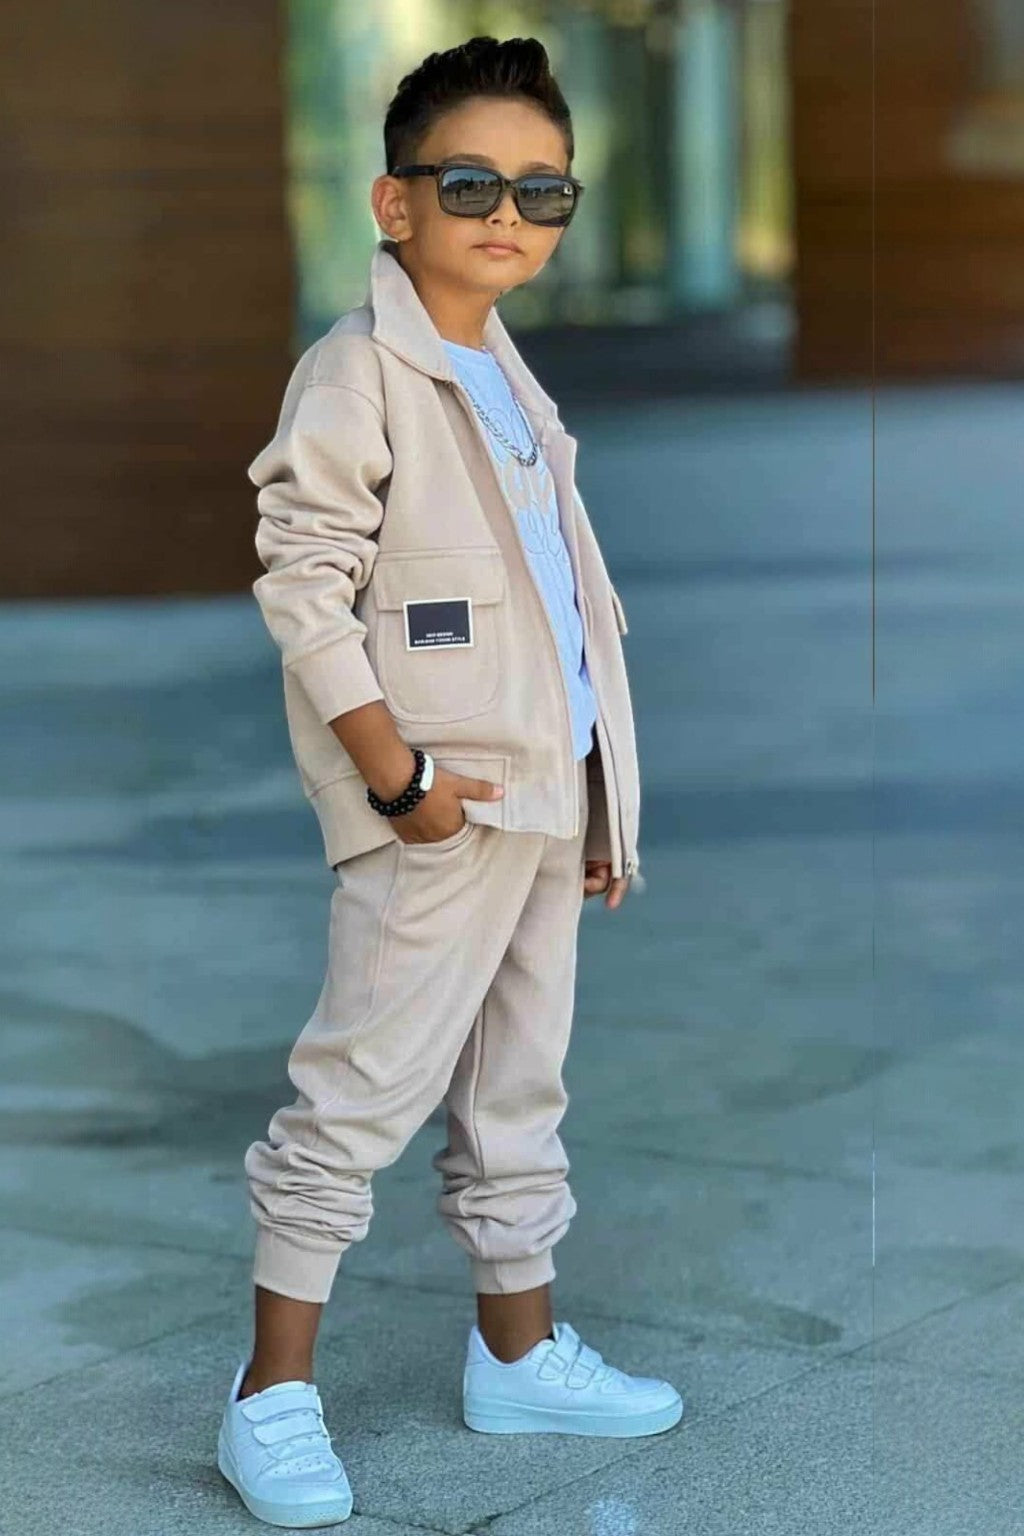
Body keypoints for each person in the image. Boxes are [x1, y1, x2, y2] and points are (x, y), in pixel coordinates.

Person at [216, 34, 682, 1529]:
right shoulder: (359, 370)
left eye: (545, 190)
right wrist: (394, 776)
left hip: (543, 800)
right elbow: (304, 583)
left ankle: (519, 1357)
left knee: (517, 1090)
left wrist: (598, 797)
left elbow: (559, 609)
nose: (510, 214)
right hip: (440, 804)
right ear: (394, 202)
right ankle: (269, 1396)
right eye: (470, 181)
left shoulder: (504, 375)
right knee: (356, 1094)